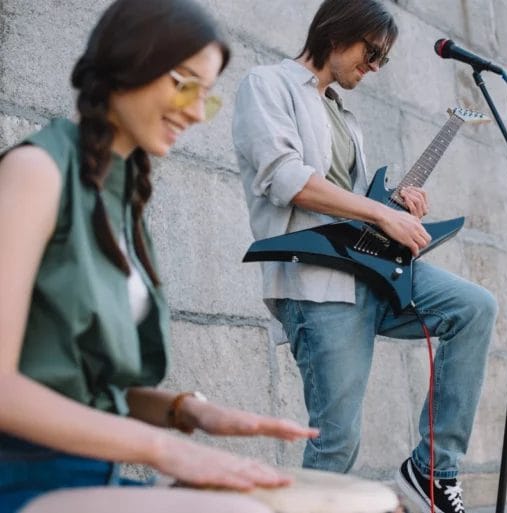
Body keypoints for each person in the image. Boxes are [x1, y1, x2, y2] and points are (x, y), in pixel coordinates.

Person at [0, 1, 319, 512]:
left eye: (207, 98)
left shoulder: (119, 199)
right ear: (131, 61)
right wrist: (166, 450)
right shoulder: (37, 171)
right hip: (21, 483)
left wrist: (189, 412)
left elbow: (83, 390)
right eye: (184, 84)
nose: (195, 112)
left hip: (88, 480)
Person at [232, 1, 498, 512]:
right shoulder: (267, 85)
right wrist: (382, 217)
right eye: (371, 52)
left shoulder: (346, 119)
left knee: (474, 307)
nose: (374, 66)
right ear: (336, 35)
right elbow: (286, 179)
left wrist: (393, 204)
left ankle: (432, 469)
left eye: (384, 60)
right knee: (337, 442)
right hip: (314, 283)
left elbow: (351, 207)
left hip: (369, 274)